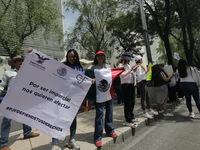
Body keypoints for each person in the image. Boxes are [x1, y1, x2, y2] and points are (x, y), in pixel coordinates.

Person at [0, 56, 40, 150]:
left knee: (26, 116)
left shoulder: (27, 73)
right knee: (7, 121)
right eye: (18, 61)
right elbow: (1, 87)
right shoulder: (8, 73)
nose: (21, 62)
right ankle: (3, 144)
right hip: (11, 100)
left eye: (22, 61)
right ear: (14, 63)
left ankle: (27, 133)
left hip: (24, 99)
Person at [52, 49, 82, 150]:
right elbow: (49, 67)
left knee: (73, 119)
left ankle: (72, 140)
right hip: (61, 97)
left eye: (74, 56)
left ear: (76, 57)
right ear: (67, 57)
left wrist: (91, 81)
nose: (72, 58)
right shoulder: (62, 66)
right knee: (58, 119)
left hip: (73, 99)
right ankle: (54, 145)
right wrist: (32, 53)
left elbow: (83, 82)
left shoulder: (80, 68)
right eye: (70, 56)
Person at [91, 50, 118, 148]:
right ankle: (98, 136)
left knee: (110, 112)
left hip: (109, 94)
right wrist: (92, 80)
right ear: (96, 57)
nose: (100, 57)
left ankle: (110, 130)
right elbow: (89, 79)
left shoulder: (108, 67)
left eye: (102, 55)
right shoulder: (93, 68)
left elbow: (113, 78)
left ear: (104, 57)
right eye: (98, 56)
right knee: (99, 115)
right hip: (99, 95)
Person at [118, 52, 139, 127]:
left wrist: (133, 70)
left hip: (131, 84)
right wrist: (130, 70)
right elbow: (122, 75)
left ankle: (131, 116)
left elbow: (130, 73)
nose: (128, 60)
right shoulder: (120, 65)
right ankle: (128, 119)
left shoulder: (128, 65)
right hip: (125, 85)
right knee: (127, 102)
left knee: (132, 101)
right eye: (127, 59)